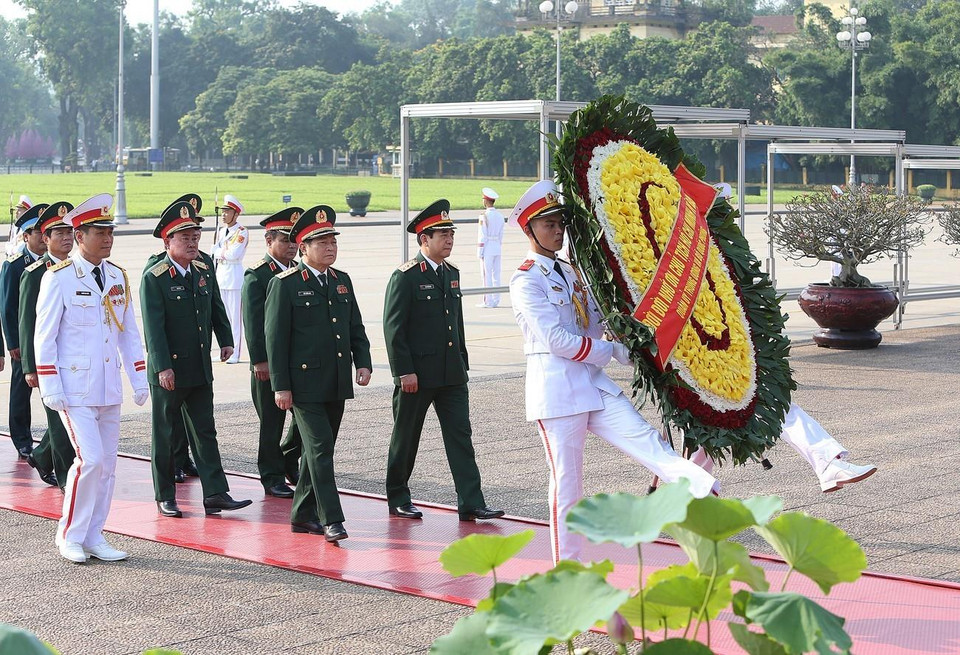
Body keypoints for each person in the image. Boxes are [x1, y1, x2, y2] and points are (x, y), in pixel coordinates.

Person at [508, 180, 719, 563]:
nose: (557, 231)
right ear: (529, 230)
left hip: (592, 383)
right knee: (568, 486)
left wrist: (633, 346)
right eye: (548, 225)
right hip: (557, 392)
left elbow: (595, 324)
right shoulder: (526, 279)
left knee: (648, 441)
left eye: (559, 223)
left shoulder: (571, 272)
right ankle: (567, 569)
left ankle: (702, 488)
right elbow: (558, 341)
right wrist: (610, 350)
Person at [34, 193, 149, 563]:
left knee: (109, 466)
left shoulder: (117, 276)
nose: (108, 238)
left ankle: (95, 533)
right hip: (74, 389)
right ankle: (69, 534)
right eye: (99, 232)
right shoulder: (60, 278)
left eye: (110, 231)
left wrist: (138, 377)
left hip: (107, 387)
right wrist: (49, 384)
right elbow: (45, 336)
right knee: (92, 460)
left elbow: (128, 332)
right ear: (79, 237)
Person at [383, 199, 504, 522]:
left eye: (451, 234)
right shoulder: (405, 276)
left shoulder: (452, 273)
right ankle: (398, 496)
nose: (449, 240)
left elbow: (456, 323)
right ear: (424, 239)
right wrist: (403, 372)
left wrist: (462, 362)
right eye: (442, 234)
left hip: (451, 374)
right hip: (417, 376)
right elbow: (394, 328)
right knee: (406, 438)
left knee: (460, 437)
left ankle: (471, 501)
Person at [265, 205, 372, 543]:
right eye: (321, 242)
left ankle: (301, 514)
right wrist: (281, 386)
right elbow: (275, 340)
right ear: (304, 247)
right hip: (303, 385)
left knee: (318, 451)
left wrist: (363, 361)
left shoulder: (341, 281)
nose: (330, 247)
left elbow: (355, 326)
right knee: (321, 447)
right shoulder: (285, 285)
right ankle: (332, 518)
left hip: (335, 381)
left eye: (332, 241)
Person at [141, 200, 252, 518]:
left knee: (205, 430)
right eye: (184, 237)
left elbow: (216, 305)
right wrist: (162, 366)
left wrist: (226, 339)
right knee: (164, 433)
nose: (192, 243)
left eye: (195, 236)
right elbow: (154, 328)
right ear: (167, 241)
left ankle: (216, 492)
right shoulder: (156, 277)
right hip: (170, 370)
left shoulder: (203, 268)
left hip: (200, 366)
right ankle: (165, 495)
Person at [242, 207, 304, 498]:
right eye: (284, 240)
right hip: (269, 364)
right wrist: (260, 360)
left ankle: (289, 458)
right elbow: (254, 325)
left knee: (307, 418)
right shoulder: (258, 276)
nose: (291, 246)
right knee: (272, 422)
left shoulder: (302, 272)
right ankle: (271, 475)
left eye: (294, 240)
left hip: (299, 362)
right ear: (269, 242)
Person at [20, 201, 77, 490]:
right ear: (45, 239)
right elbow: (27, 324)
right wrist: (31, 367)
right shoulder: (35, 274)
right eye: (59, 233)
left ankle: (42, 457)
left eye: (70, 232)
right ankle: (66, 475)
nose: (67, 238)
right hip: (47, 361)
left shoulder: (79, 269)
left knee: (68, 415)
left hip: (75, 358)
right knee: (60, 420)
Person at [1, 202, 48, 459]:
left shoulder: (57, 263)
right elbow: (7, 307)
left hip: (50, 337)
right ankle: (21, 438)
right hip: (24, 340)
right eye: (37, 233)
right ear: (26, 236)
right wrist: (13, 343)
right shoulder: (15, 265)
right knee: (21, 389)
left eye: (45, 231)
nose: (43, 237)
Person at [212, 194, 248, 364]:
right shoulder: (221, 231)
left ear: (236, 214)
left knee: (234, 318)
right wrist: (218, 253)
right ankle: (223, 350)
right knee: (222, 317)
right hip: (221, 276)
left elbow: (234, 254)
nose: (224, 215)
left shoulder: (242, 232)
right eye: (223, 212)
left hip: (234, 277)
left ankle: (235, 353)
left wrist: (217, 252)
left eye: (227, 212)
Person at [476, 187, 505, 308]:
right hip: (497, 246)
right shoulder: (500, 216)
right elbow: (501, 235)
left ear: (486, 201)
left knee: (486, 275)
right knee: (496, 274)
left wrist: (480, 251)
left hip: (487, 247)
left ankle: (488, 301)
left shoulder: (484, 217)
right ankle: (496, 299)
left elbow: (482, 236)